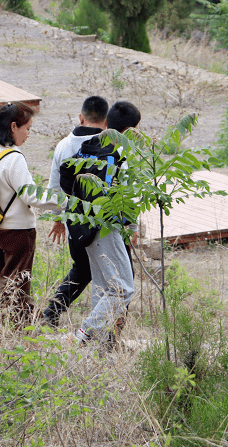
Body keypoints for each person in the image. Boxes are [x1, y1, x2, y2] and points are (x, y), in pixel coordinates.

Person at [70, 101, 141, 349]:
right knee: (123, 289)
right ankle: (84, 333)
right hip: (108, 226)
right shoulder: (122, 155)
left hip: (83, 224)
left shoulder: (87, 147)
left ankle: (97, 353)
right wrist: (132, 229)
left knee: (102, 289)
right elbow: (130, 197)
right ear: (130, 131)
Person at [0, 102, 63, 327]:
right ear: (13, 127)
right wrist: (65, 201)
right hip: (18, 232)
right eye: (27, 128)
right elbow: (31, 196)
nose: (28, 134)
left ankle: (28, 334)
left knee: (12, 287)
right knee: (13, 289)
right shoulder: (13, 158)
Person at [41, 96, 109, 327]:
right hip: (106, 223)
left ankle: (52, 312)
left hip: (76, 223)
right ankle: (101, 329)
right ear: (106, 121)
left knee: (82, 268)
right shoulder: (111, 146)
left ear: (81, 118)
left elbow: (56, 188)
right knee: (109, 277)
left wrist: (60, 220)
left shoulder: (63, 145)